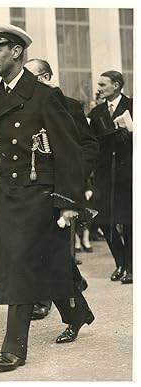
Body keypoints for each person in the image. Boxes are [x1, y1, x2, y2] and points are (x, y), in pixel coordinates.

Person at [0, 24, 94, 372]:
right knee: (41, 264)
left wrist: (70, 202)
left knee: (21, 268)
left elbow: (69, 151)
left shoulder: (44, 96)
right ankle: (77, 312)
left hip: (37, 197)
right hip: (5, 197)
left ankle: (14, 348)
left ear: (16, 51)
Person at [24, 58, 99, 320]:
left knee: (51, 251)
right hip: (34, 189)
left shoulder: (69, 105)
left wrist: (74, 178)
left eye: (31, 77)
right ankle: (72, 286)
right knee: (42, 250)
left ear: (46, 78)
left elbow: (89, 146)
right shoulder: (23, 107)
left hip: (62, 189)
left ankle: (51, 299)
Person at [89, 71, 133, 284]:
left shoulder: (133, 105)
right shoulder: (97, 112)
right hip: (105, 173)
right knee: (102, 218)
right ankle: (121, 261)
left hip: (128, 173)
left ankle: (131, 267)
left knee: (129, 220)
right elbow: (92, 142)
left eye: (103, 84)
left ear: (116, 85)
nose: (99, 88)